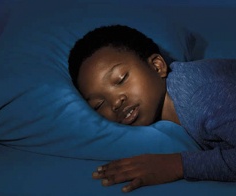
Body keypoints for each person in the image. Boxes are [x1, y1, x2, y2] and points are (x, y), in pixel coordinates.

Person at [68, 25, 236, 193]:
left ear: (157, 66)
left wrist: (178, 165)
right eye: (98, 104)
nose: (115, 103)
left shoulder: (200, 95)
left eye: (121, 79)